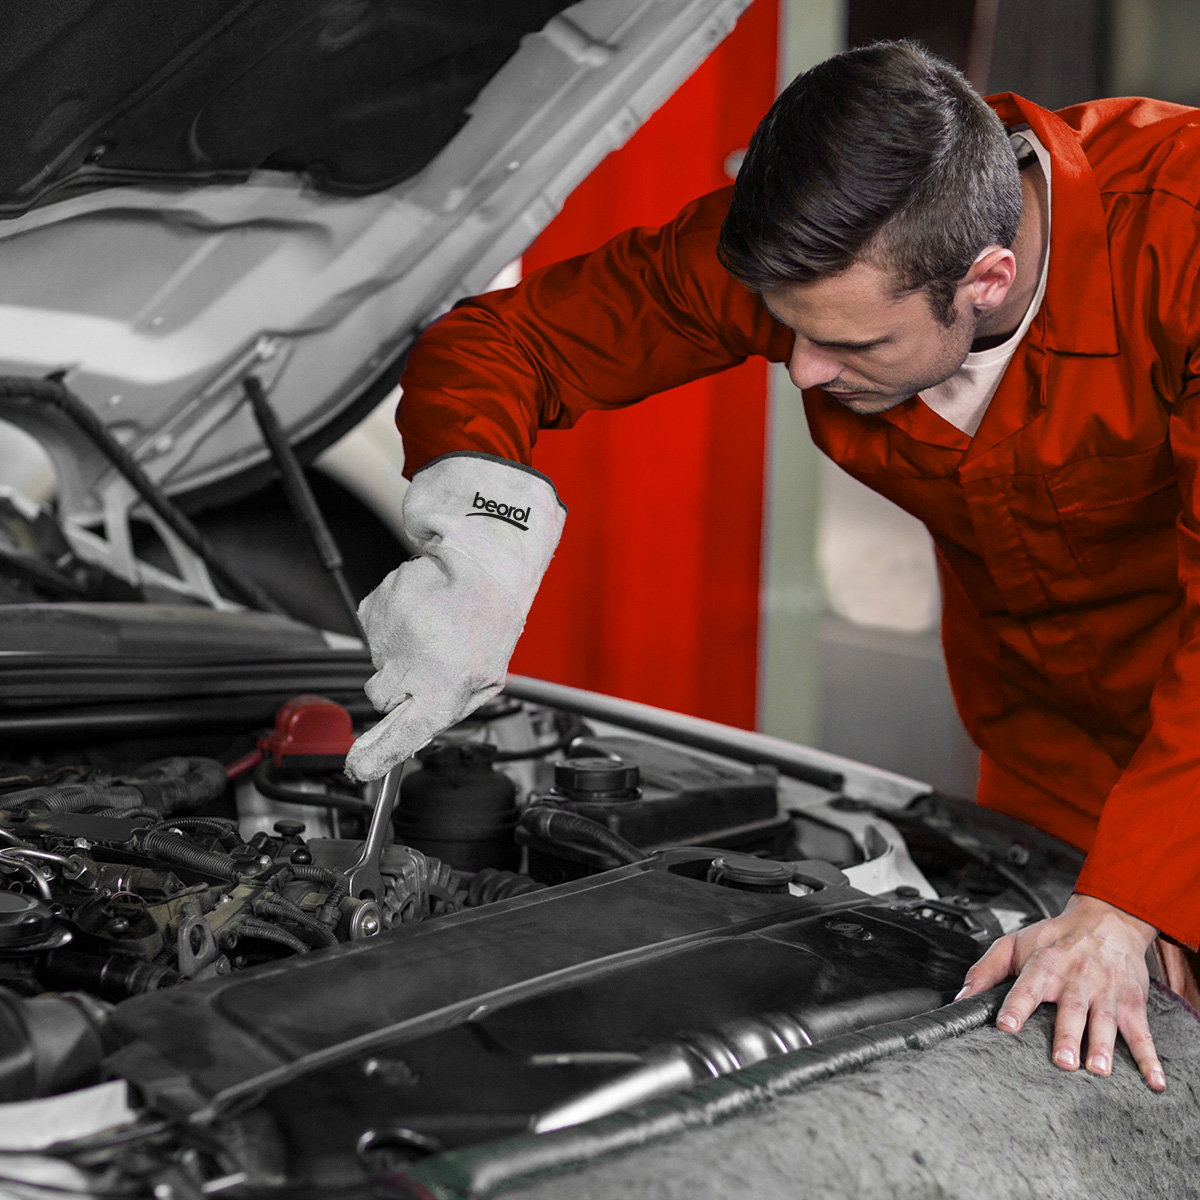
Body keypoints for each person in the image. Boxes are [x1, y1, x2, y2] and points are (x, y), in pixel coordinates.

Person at [344, 40, 1200, 1091]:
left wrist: (1130, 898)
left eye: (855, 347)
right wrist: (477, 539)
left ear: (988, 279)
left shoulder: (1183, 242)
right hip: (1041, 758)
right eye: (789, 330)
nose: (802, 368)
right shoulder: (824, 259)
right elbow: (502, 344)